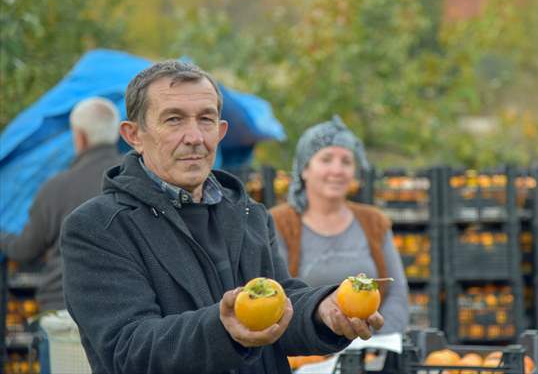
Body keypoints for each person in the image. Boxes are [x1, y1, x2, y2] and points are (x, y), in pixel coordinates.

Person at [60, 60, 384, 374]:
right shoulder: (98, 228)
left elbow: (280, 304)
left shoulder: (248, 214)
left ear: (221, 130)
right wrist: (223, 329)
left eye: (206, 119)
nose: (195, 137)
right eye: (174, 120)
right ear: (134, 135)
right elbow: (128, 349)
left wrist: (321, 311)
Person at [270, 116, 409, 334]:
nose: (337, 170)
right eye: (326, 159)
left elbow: (397, 294)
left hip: (367, 349)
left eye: (346, 161)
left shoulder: (374, 221)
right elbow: (276, 297)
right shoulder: (278, 223)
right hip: (304, 354)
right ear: (304, 169)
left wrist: (376, 342)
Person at [0, 97, 122, 311]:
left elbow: (25, 249)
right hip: (126, 306)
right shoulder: (138, 178)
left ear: (80, 138)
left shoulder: (57, 187)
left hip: (64, 308)